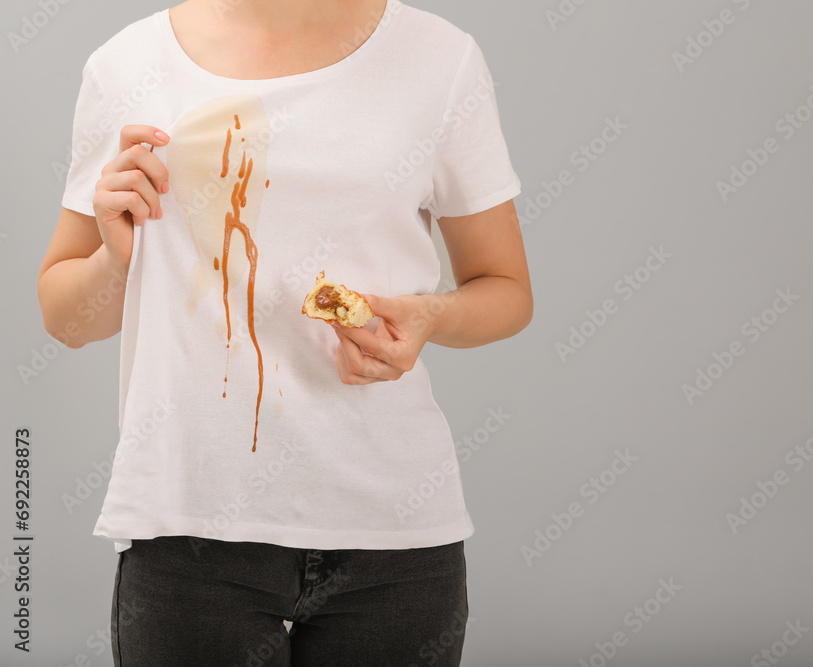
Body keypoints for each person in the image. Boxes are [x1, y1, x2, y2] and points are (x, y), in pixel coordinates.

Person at [37, 0, 531, 663]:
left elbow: (506, 290)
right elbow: (67, 320)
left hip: (392, 535)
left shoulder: (440, 60)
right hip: (189, 527)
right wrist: (114, 256)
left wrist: (431, 317)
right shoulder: (127, 64)